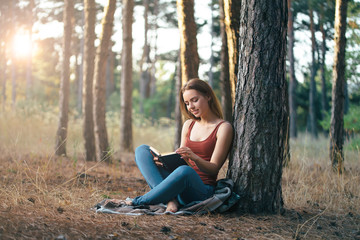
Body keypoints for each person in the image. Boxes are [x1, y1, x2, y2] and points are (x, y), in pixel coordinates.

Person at [125, 78, 233, 212]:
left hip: (200, 190)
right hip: (178, 183)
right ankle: (171, 200)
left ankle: (137, 201)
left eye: (195, 100)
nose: (191, 107)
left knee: (186, 171)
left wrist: (194, 158)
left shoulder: (223, 128)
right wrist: (164, 162)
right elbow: (181, 159)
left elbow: (214, 168)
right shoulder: (188, 124)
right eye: (187, 103)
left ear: (208, 96)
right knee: (142, 150)